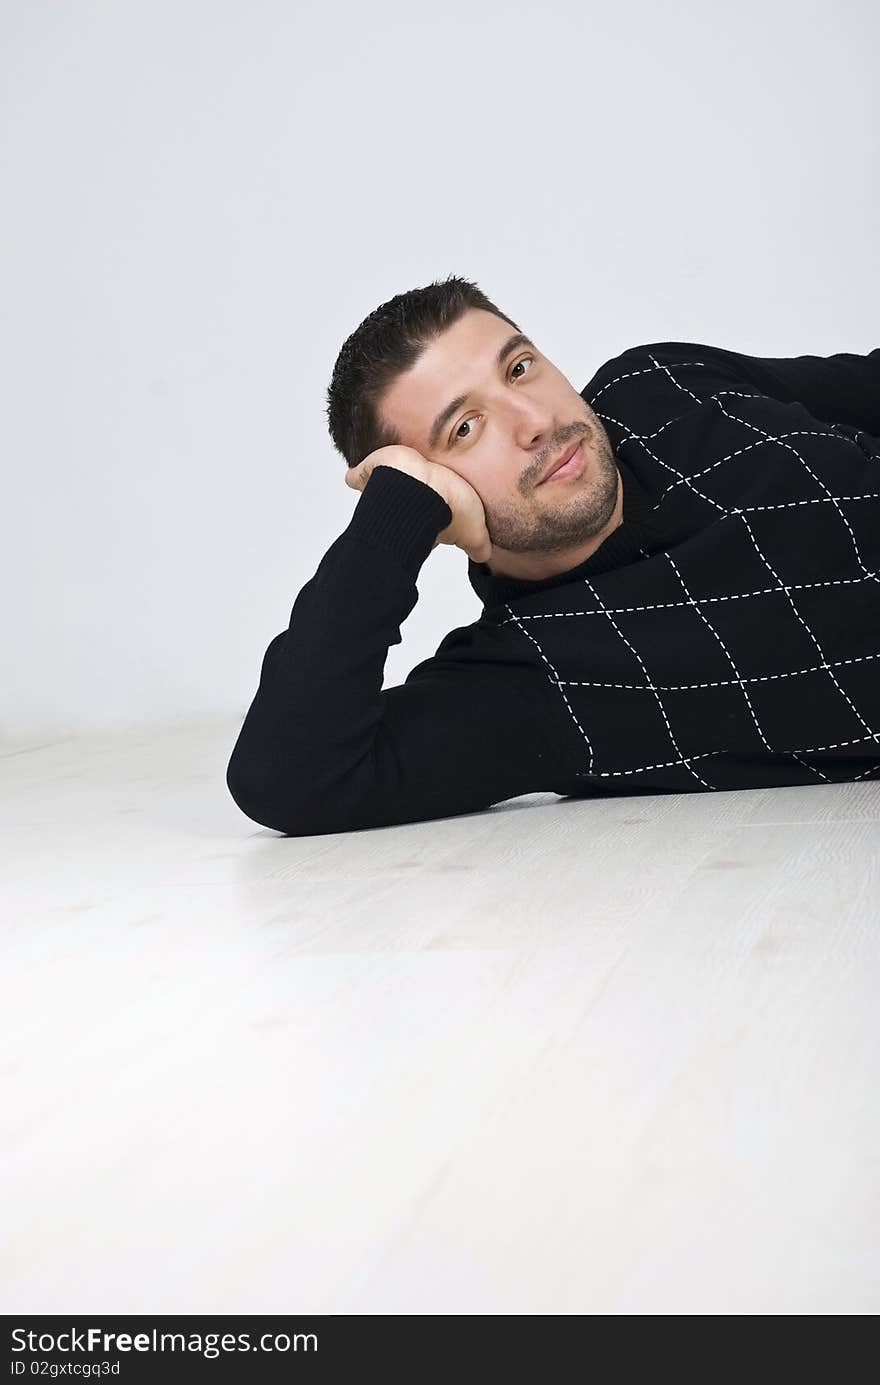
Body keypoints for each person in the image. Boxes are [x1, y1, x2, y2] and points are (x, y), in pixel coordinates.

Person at [225, 274, 880, 836]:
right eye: (465, 427)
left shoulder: (659, 382)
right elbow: (289, 775)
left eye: (518, 367)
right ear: (435, 491)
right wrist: (397, 513)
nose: (532, 419)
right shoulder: (529, 680)